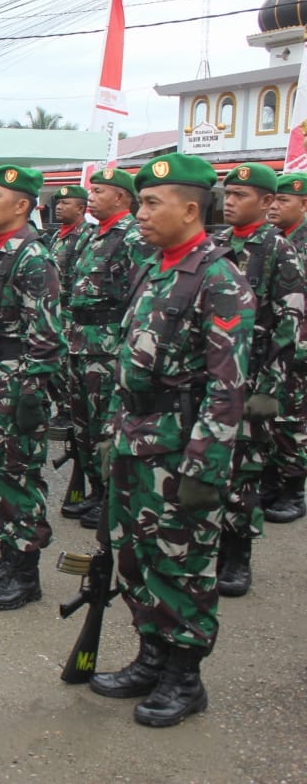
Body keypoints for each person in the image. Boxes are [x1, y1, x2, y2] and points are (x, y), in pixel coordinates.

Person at [92, 152, 254, 728]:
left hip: (181, 448)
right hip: (137, 440)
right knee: (136, 557)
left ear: (190, 209)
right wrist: (114, 431)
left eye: (151, 203)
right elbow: (125, 360)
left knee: (184, 562)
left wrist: (204, 469)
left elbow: (227, 385)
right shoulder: (155, 267)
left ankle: (185, 677)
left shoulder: (218, 276)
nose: (139, 213)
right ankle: (150, 656)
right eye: (138, 202)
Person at [0, 166, 66, 610]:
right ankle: (8, 554)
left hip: (15, 386)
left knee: (18, 477)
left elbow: (47, 334)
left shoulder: (33, 257)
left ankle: (26, 571)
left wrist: (29, 394)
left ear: (22, 205)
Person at [210, 162, 305, 596]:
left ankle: (236, 556)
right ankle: (206, 549)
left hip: (252, 381)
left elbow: (292, 325)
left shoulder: (279, 251)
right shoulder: (214, 246)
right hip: (213, 380)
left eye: (240, 196)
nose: (230, 202)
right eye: (227, 195)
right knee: (208, 469)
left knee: (243, 475)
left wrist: (271, 390)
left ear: (267, 203)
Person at [66, 167, 153, 529]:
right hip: (79, 342)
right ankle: (96, 490)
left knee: (106, 427)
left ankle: (110, 496)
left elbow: (138, 298)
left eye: (99, 191)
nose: (92, 197)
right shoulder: (91, 234)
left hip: (107, 348)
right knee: (82, 425)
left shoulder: (133, 237)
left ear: (120, 197)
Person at [263, 172, 307, 522]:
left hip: (301, 346)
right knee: (269, 416)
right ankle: (272, 479)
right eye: (272, 200)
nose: (274, 207)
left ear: (303, 205)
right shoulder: (271, 242)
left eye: (283, 201)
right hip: (274, 344)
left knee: (291, 418)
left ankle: (293, 487)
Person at [44, 185, 90, 434]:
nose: (59, 207)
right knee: (54, 364)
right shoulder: (56, 236)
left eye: (66, 203)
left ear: (81, 208)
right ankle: (62, 407)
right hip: (54, 311)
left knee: (66, 365)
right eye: (58, 203)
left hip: (71, 314)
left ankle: (68, 410)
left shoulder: (86, 237)